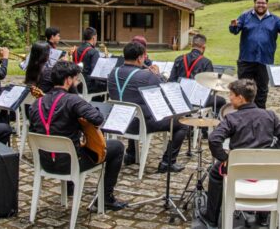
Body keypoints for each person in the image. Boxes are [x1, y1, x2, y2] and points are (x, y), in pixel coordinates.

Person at [28, 61, 128, 211]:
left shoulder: (36, 103)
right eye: (75, 79)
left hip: (45, 161)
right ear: (68, 80)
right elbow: (98, 118)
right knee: (118, 147)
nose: (77, 82)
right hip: (71, 162)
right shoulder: (73, 100)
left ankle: (71, 188)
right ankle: (106, 197)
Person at [200, 79, 280, 228]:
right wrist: (272, 153)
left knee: (215, 172)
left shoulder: (231, 118)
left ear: (241, 98)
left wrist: (225, 159)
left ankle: (211, 218)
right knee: (264, 171)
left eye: (232, 94)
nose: (230, 98)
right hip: (265, 169)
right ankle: (263, 217)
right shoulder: (270, 115)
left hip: (238, 169)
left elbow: (213, 139)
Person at [107, 42, 188, 172]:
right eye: (144, 56)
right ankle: (168, 162)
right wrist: (157, 75)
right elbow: (165, 90)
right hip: (140, 124)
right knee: (182, 124)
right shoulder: (147, 76)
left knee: (133, 107)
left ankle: (131, 154)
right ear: (139, 58)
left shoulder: (113, 72)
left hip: (120, 121)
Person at [228, 0, 280, 108]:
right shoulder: (245, 16)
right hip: (246, 60)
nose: (261, 5)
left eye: (263, 3)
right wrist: (233, 26)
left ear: (267, 4)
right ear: (254, 3)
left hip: (265, 61)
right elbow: (235, 30)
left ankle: (260, 115)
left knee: (262, 91)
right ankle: (243, 115)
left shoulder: (275, 19)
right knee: (243, 89)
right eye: (258, 2)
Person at [168, 33, 226, 113]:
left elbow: (171, 81)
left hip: (179, 97)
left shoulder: (179, 59)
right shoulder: (206, 62)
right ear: (204, 47)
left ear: (192, 45)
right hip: (198, 99)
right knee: (221, 101)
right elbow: (209, 87)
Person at [74, 27, 103, 93]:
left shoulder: (75, 50)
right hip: (88, 87)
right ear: (93, 38)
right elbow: (96, 73)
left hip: (76, 85)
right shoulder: (94, 52)